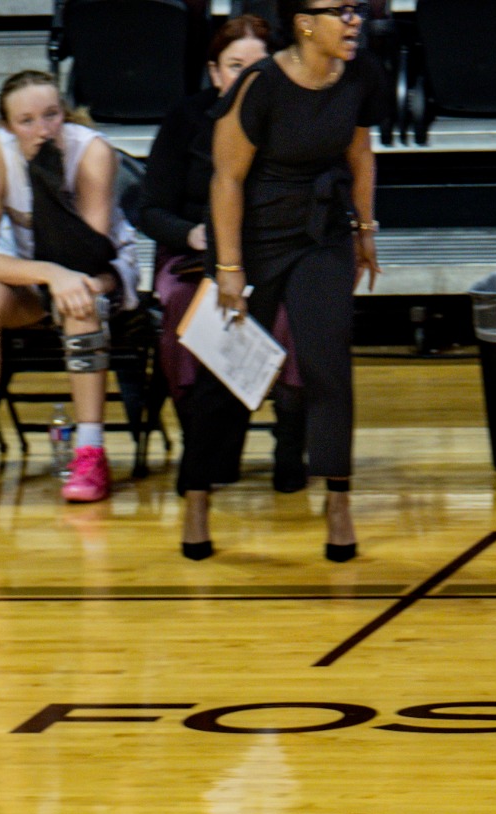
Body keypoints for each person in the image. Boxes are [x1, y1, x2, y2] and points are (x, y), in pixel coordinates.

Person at [210, 0, 386, 562]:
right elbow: (228, 178)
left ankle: (338, 500)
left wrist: (363, 230)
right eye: (341, 10)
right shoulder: (259, 85)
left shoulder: (361, 74)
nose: (355, 18)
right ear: (306, 22)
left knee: (328, 363)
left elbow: (360, 152)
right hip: (259, 232)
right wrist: (230, 268)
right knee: (229, 368)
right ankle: (198, 494)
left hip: (322, 230)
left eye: (358, 9)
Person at [136, 16, 310, 559]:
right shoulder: (185, 118)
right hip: (194, 255)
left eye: (257, 68)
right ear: (214, 72)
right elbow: (148, 209)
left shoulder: (289, 115)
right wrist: (193, 233)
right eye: (235, 66)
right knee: (187, 308)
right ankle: (207, 448)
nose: (245, 78)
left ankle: (290, 436)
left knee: (288, 312)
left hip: (270, 253)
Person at [0, 69, 140, 507]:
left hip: (100, 270)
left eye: (51, 115)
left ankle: (91, 451)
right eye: (27, 120)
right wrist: (49, 275)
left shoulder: (91, 152)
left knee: (79, 300)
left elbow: (85, 255)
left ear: (64, 115)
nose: (42, 129)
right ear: (7, 126)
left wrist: (48, 174)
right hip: (38, 274)